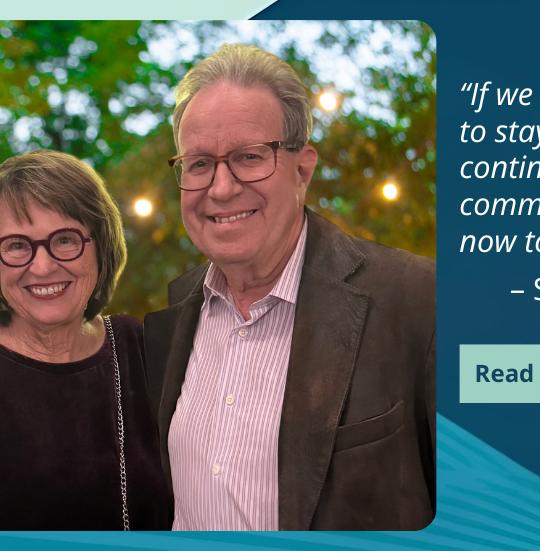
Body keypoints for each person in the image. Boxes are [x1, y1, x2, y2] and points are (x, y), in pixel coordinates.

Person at [144, 43, 436, 531]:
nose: (220, 188)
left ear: (303, 169)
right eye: (198, 164)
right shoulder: (171, 319)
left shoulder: (419, 301)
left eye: (249, 157)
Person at [0, 150, 171, 530]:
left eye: (65, 239)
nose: (43, 266)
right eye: (17, 245)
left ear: (99, 246)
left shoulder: (138, 347)